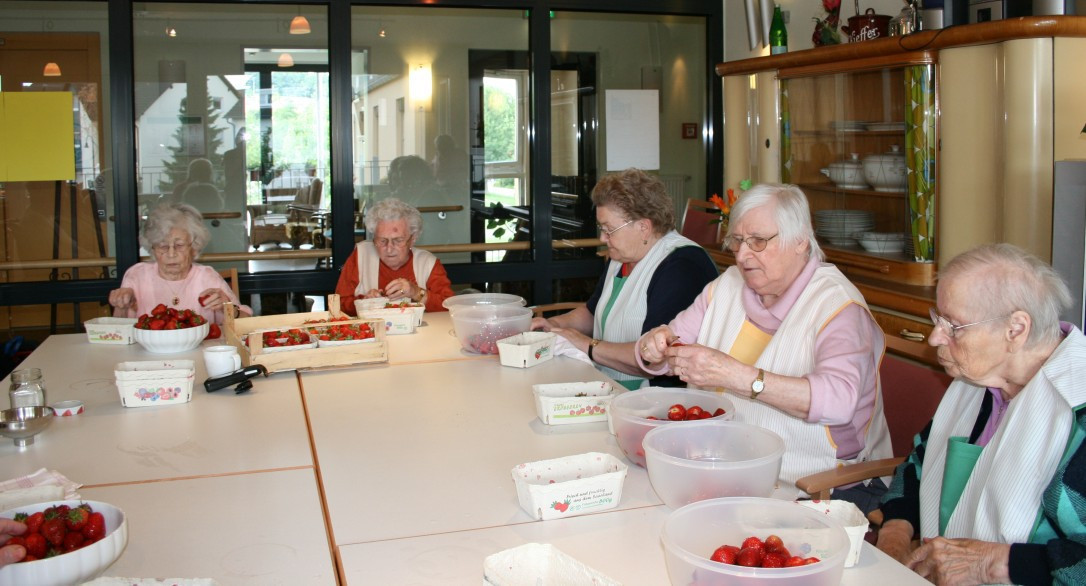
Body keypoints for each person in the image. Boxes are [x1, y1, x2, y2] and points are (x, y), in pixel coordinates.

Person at [636, 183, 892, 509]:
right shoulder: (727, 285)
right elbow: (671, 343)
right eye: (738, 241)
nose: (743, 255)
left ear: (799, 241)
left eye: (758, 241)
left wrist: (737, 376)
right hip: (726, 467)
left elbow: (838, 401)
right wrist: (654, 346)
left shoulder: (837, 306)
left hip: (817, 486)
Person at [875, 243, 1086, 585]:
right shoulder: (978, 381)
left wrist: (993, 563)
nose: (933, 338)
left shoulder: (1079, 411)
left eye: (953, 326)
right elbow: (917, 464)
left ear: (1016, 330)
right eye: (937, 318)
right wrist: (895, 535)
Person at [532, 168, 718, 390]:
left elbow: (655, 357)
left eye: (609, 230)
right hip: (611, 385)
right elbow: (594, 312)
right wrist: (554, 325)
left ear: (643, 227)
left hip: (658, 400)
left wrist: (586, 345)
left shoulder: (682, 265)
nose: (602, 238)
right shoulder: (623, 255)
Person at [109, 202, 252, 324]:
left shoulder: (207, 277)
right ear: (152, 248)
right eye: (163, 246)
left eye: (179, 245)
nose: (171, 254)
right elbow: (119, 331)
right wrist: (121, 306)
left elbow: (246, 325)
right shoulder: (137, 275)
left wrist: (227, 307)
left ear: (194, 247)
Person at [334, 197, 454, 315]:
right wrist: (364, 302)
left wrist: (416, 292)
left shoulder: (428, 263)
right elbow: (337, 304)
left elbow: (450, 306)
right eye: (382, 240)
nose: (389, 248)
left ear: (413, 239)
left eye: (398, 240)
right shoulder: (361, 255)